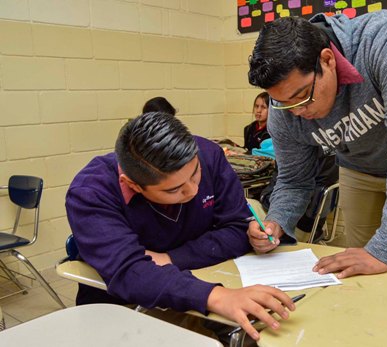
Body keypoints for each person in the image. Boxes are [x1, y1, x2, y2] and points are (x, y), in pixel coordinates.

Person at [246, 11, 387, 278]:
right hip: (358, 168)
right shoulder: (284, 110)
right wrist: (276, 222)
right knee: (359, 273)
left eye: (302, 97)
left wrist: (385, 249)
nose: (296, 112)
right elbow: (294, 180)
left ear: (327, 61)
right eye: (283, 103)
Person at [65, 112, 297, 341]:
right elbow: (130, 271)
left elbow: (237, 227)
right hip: (121, 310)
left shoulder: (208, 154)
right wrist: (215, 296)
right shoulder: (91, 192)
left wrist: (170, 258)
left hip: (199, 287)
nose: (193, 191)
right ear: (132, 185)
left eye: (195, 174)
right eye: (173, 190)